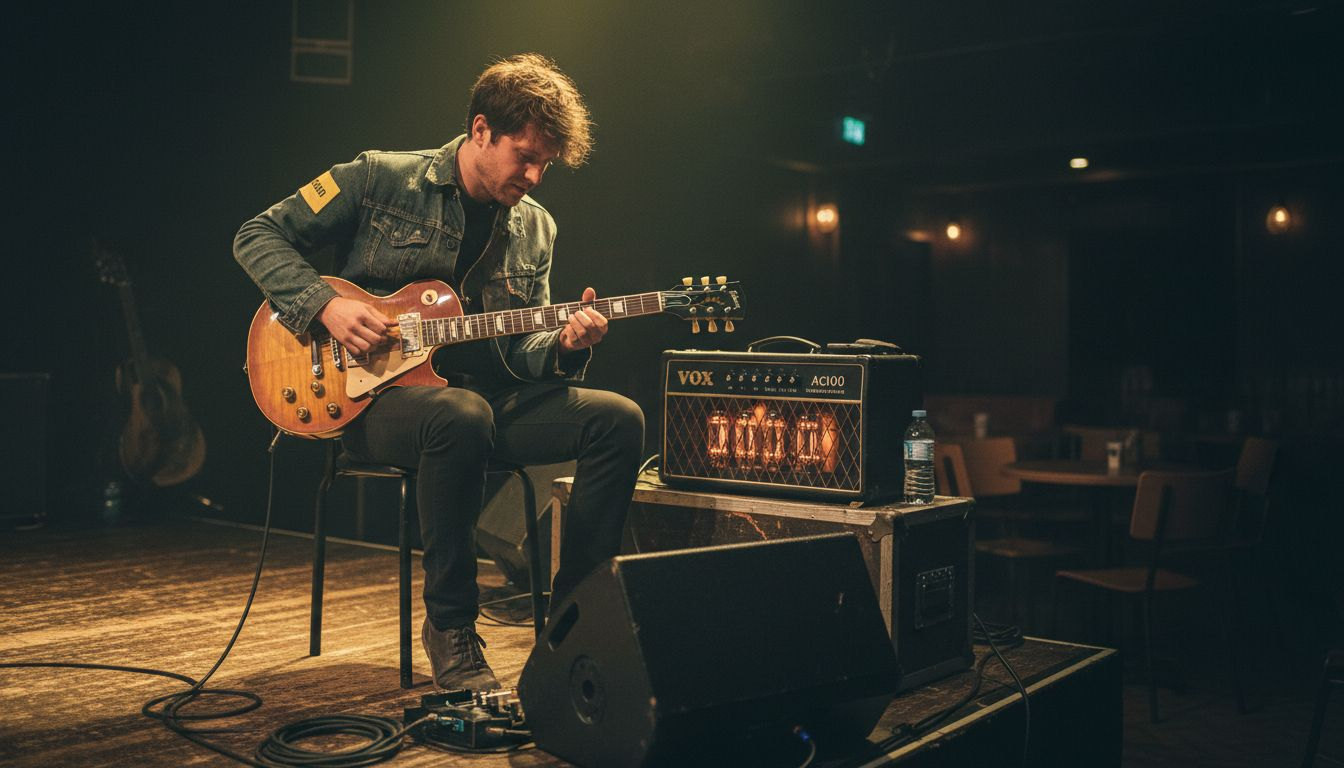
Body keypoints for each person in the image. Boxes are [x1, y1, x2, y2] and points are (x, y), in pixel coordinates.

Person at [233, 54, 644, 691]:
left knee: (617, 420)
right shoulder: (379, 178)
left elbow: (524, 346)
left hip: (481, 403)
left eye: (546, 165)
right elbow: (257, 234)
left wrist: (563, 345)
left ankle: (576, 619)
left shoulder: (537, 228)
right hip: (372, 403)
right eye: (525, 156)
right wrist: (327, 306)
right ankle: (452, 627)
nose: (535, 176)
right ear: (481, 130)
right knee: (460, 416)